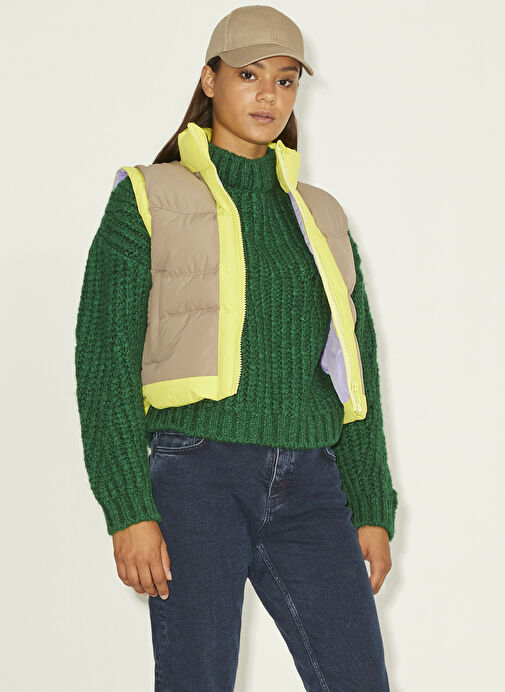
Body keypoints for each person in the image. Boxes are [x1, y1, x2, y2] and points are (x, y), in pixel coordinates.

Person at [74, 5, 399, 690]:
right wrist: (128, 508)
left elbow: (354, 371)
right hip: (198, 476)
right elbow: (103, 361)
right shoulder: (148, 197)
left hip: (313, 484)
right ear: (209, 79)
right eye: (249, 75)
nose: (267, 95)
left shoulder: (322, 215)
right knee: (197, 679)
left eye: (284, 80)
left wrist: (371, 506)